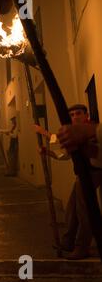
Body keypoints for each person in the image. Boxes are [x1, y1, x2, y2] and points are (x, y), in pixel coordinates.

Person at [37, 105, 102, 259]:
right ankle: (68, 241)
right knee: (71, 209)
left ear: (86, 115)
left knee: (83, 211)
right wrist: (49, 153)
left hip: (93, 173)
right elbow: (65, 155)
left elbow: (94, 151)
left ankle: (82, 247)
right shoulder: (74, 133)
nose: (75, 117)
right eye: (72, 114)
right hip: (81, 175)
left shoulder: (91, 130)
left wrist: (43, 133)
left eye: (78, 113)